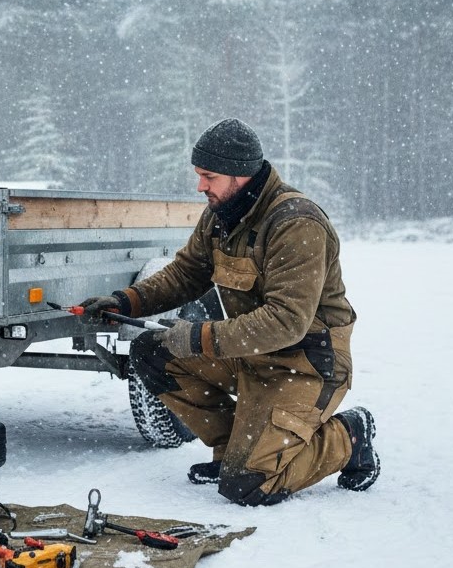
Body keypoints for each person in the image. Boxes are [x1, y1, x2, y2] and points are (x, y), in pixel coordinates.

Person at [81, 118, 379, 506]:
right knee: (153, 352)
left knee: (250, 487)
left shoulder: (296, 223)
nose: (200, 186)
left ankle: (348, 436)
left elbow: (287, 321)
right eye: (198, 175)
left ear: (241, 175)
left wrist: (197, 337)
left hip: (306, 362)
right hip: (250, 354)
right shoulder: (222, 215)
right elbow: (187, 274)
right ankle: (230, 450)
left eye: (208, 176)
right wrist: (126, 301)